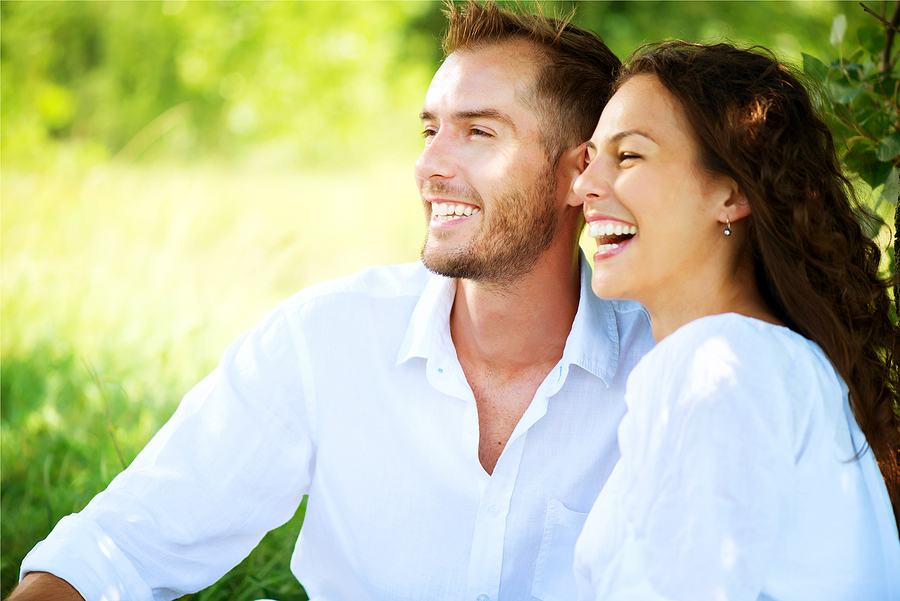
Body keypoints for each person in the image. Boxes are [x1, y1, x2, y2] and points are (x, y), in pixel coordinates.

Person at [9, 3, 655, 600]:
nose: (429, 166)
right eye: (430, 130)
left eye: (478, 133)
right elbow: (125, 541)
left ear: (579, 173)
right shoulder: (328, 336)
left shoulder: (665, 371)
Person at [571, 40, 900, 600]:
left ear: (730, 192)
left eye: (628, 156)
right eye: (590, 158)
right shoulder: (756, 361)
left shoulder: (723, 366)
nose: (583, 187)